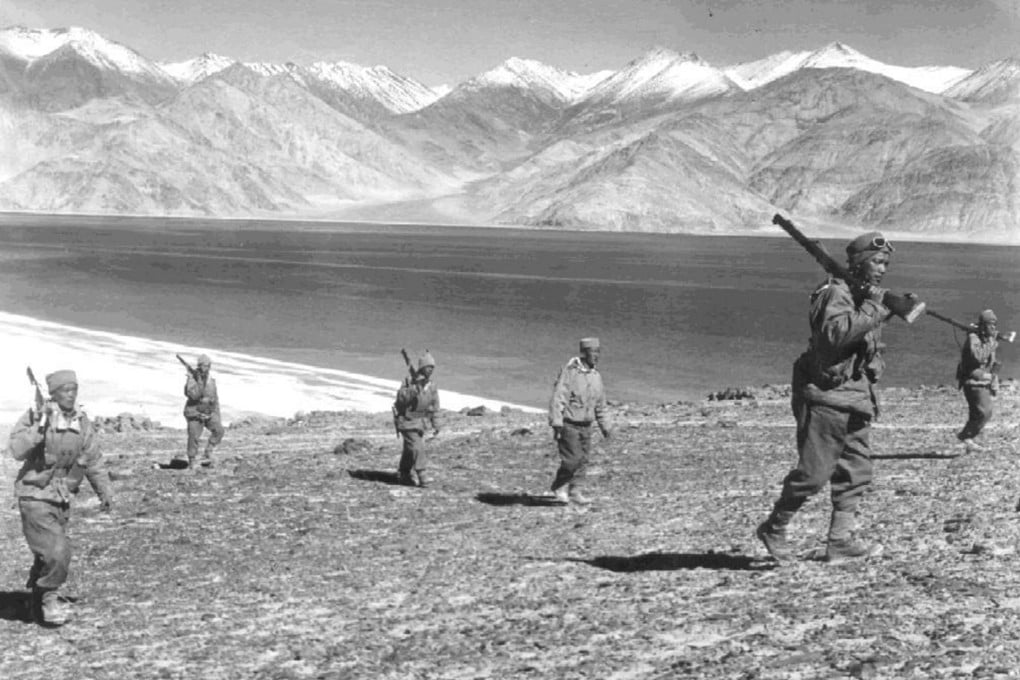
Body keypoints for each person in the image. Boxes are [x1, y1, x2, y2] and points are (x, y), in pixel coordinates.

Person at [756, 232, 911, 563]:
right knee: (814, 473)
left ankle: (839, 541)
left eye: (886, 263)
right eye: (877, 262)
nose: (883, 269)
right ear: (858, 262)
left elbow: (865, 346)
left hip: (855, 396)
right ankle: (774, 528)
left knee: (856, 470)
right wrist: (878, 307)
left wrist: (885, 307)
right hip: (826, 397)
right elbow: (834, 337)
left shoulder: (864, 296)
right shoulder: (835, 293)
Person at [7, 369, 113, 626]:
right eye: (66, 390)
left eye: (74, 389)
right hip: (34, 496)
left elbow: (93, 460)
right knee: (57, 552)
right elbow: (16, 450)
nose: (71, 394)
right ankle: (48, 598)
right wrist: (40, 428)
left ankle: (35, 602)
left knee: (45, 555)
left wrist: (105, 492)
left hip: (62, 498)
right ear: (53, 394)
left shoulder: (81, 422)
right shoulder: (35, 416)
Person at [547, 337, 613, 505]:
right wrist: (556, 422)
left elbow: (601, 404)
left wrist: (607, 427)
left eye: (598, 352)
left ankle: (575, 491)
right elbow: (559, 397)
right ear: (585, 353)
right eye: (593, 352)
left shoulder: (596, 377)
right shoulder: (570, 372)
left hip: (586, 426)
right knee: (572, 460)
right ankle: (559, 485)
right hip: (569, 424)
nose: (596, 356)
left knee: (583, 461)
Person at [393, 351, 441, 487]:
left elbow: (434, 406)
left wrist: (436, 424)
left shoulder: (431, 386)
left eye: (432, 367)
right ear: (422, 367)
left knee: (410, 450)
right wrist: (413, 390)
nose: (431, 369)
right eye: (428, 367)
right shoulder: (409, 381)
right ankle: (422, 474)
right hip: (406, 422)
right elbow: (400, 400)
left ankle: (404, 474)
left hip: (420, 423)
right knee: (417, 447)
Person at [955, 309, 1000, 452]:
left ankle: (969, 441)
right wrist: (993, 342)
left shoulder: (988, 339)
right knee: (984, 412)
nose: (993, 327)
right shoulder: (973, 338)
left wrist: (994, 381)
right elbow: (978, 357)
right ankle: (966, 437)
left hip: (983, 381)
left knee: (979, 413)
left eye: (995, 324)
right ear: (983, 325)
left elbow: (991, 363)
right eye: (990, 324)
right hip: (973, 382)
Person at [180, 353, 224, 468]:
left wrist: (216, 414)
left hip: (208, 413)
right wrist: (198, 381)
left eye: (208, 366)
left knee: (219, 430)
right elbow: (193, 395)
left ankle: (208, 452)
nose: (206, 368)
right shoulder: (192, 379)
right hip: (195, 413)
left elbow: (215, 399)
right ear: (199, 366)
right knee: (193, 437)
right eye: (203, 366)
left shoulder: (211, 381)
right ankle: (192, 460)